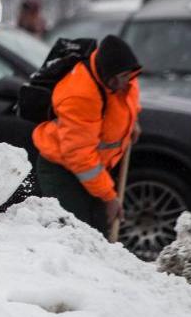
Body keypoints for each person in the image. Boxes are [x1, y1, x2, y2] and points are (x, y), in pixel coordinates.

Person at [33, 34, 141, 234]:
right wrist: (109, 197)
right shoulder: (80, 95)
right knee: (78, 234)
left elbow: (126, 105)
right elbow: (80, 157)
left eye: (129, 76)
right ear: (107, 76)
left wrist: (130, 125)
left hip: (94, 168)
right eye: (121, 78)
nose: (127, 82)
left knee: (99, 230)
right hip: (63, 171)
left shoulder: (126, 78)